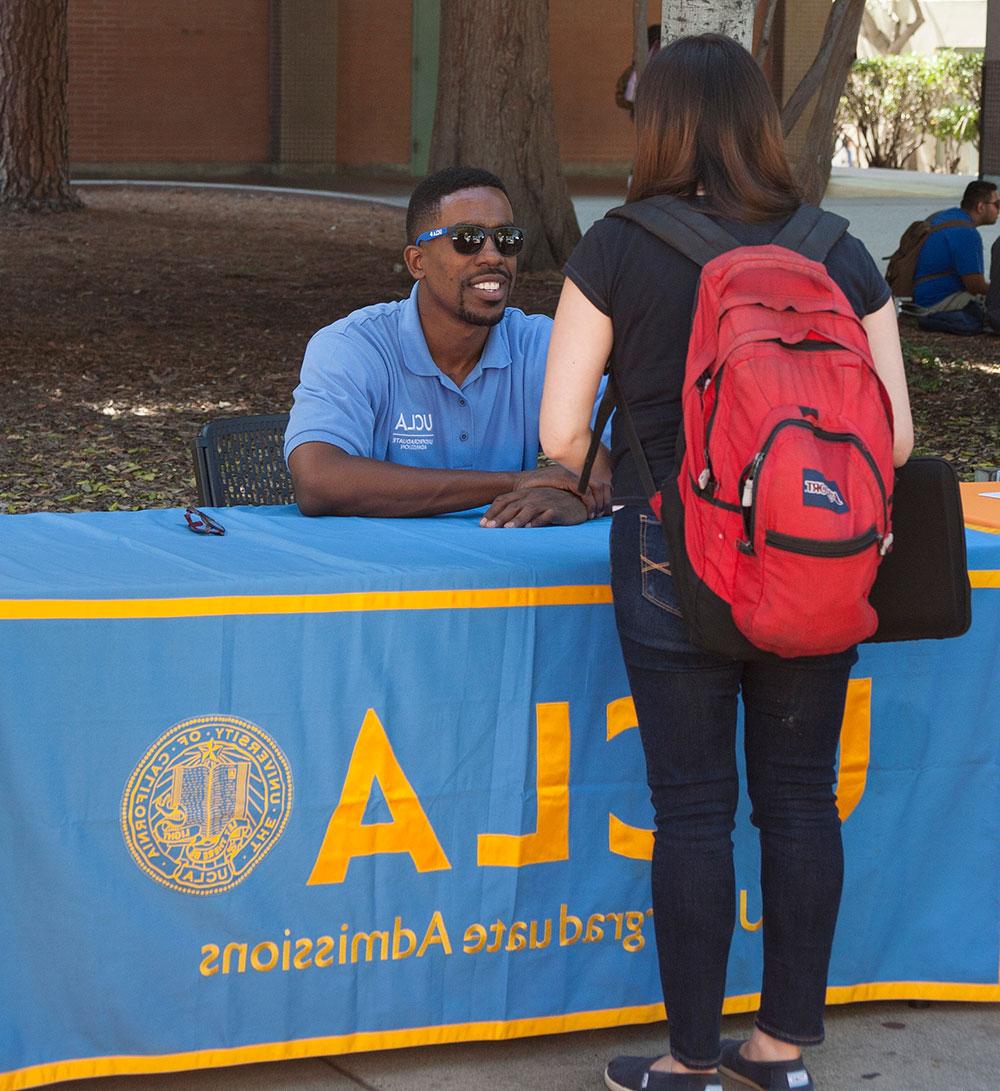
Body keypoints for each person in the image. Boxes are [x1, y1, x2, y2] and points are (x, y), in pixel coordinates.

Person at [540, 34, 913, 1091]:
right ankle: (783, 1051)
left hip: (672, 553)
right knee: (799, 801)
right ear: (757, 119)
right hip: (816, 555)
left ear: (657, 125)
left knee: (690, 808)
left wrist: (650, 468)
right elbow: (891, 442)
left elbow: (562, 434)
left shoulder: (618, 245)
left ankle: (688, 1058)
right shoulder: (836, 248)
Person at [285, 166, 608, 527]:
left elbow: (631, 461)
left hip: (507, 574)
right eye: (467, 239)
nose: (492, 256)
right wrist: (512, 483)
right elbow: (317, 480)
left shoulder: (540, 345)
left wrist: (583, 500)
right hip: (379, 573)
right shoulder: (353, 347)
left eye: (507, 239)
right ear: (417, 262)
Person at [912, 180, 998, 314]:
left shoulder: (945, 217)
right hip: (936, 302)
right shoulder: (966, 233)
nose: (998, 210)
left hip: (920, 296)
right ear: (981, 207)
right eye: (997, 205)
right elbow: (976, 286)